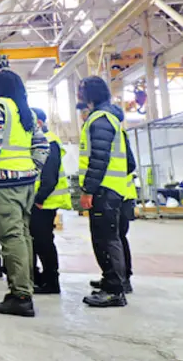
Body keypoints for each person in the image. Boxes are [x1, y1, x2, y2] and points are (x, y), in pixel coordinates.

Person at [0, 70, 49, 317]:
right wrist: (33, 169)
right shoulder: (27, 112)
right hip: (26, 183)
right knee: (23, 236)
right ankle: (25, 289)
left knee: (11, 238)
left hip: (4, 184)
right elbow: (42, 146)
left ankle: (21, 296)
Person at [77, 76, 129, 308]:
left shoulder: (100, 119)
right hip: (108, 187)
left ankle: (115, 290)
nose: (79, 96)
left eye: (81, 91)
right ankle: (111, 280)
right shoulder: (107, 117)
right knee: (106, 238)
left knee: (106, 239)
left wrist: (89, 189)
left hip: (105, 189)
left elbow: (99, 158)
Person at [87, 104, 137, 294]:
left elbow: (129, 164)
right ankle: (118, 278)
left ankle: (121, 281)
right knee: (116, 237)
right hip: (120, 191)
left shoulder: (113, 132)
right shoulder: (119, 133)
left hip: (116, 193)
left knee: (113, 238)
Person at [29, 108, 71, 295]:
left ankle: (51, 282)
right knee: (37, 241)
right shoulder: (37, 141)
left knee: (44, 242)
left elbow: (50, 176)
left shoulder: (49, 141)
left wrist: (39, 199)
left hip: (44, 202)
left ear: (38, 123)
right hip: (37, 201)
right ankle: (41, 278)